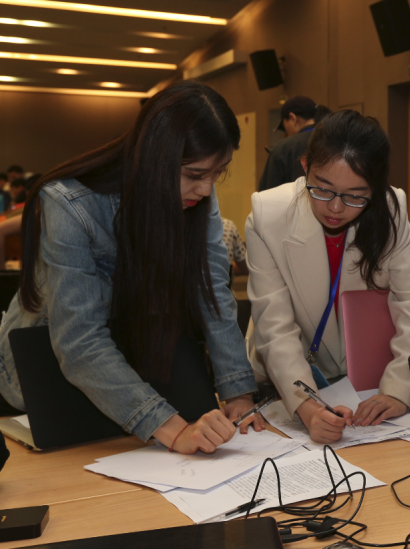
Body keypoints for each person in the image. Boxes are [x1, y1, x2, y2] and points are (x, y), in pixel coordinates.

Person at [0, 81, 265, 454]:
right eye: (194, 175)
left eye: (216, 173)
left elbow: (212, 291)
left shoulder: (194, 189)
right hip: (48, 362)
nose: (206, 190)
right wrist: (173, 432)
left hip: (138, 349)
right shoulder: (70, 203)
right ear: (155, 158)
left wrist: (238, 390)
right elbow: (79, 341)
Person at [246, 110, 410, 444]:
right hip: (291, 371)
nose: (335, 208)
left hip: (362, 378)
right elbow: (275, 327)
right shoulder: (267, 214)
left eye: (355, 195)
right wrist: (307, 407)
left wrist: (400, 390)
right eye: (323, 189)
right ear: (305, 168)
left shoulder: (392, 208)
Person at [258, 96, 332, 191]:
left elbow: (267, 194)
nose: (286, 133)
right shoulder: (334, 141)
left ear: (293, 118)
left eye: (284, 127)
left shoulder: (283, 148)